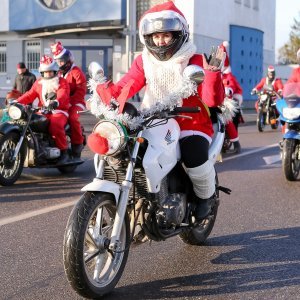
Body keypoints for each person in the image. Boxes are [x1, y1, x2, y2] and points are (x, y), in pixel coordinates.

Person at [94, 1, 225, 220]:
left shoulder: (194, 59)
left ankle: (206, 198)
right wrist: (105, 92)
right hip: (152, 119)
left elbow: (212, 100)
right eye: (155, 36)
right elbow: (127, 86)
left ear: (178, 34)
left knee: (194, 156)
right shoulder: (143, 61)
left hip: (190, 121)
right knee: (123, 150)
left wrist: (212, 73)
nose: (160, 41)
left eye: (165, 35)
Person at [17, 55, 70, 165]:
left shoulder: (62, 82)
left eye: (50, 72)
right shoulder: (39, 83)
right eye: (46, 72)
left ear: (55, 71)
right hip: (43, 110)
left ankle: (64, 152)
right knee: (29, 122)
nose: (48, 74)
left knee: (55, 125)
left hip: (59, 111)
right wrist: (17, 102)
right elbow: (29, 95)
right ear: (42, 73)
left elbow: (63, 94)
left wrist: (56, 102)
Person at [50, 41, 87, 159]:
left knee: (72, 118)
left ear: (68, 60)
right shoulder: (58, 73)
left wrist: (70, 101)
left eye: (61, 61)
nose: (59, 63)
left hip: (77, 102)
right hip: (62, 102)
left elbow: (81, 91)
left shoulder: (76, 72)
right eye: (57, 61)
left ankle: (78, 144)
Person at [219, 41, 243, 153]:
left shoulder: (228, 75)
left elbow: (231, 85)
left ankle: (236, 144)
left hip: (228, 99)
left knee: (226, 117)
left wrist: (228, 90)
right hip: (214, 99)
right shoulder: (213, 71)